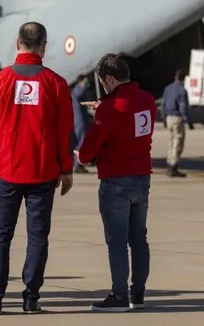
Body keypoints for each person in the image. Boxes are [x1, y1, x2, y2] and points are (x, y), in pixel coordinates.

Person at [0, 22, 75, 315]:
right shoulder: (56, 83)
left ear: (17, 43)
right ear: (43, 46)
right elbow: (65, 131)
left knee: (0, 235)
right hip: (43, 171)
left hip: (7, 170)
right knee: (37, 237)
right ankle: (31, 298)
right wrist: (66, 168)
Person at [76, 54, 155, 312]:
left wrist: (81, 155)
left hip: (116, 181)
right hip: (141, 178)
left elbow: (88, 153)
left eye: (103, 82)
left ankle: (119, 295)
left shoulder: (110, 108)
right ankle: (138, 293)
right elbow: (128, 116)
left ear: (110, 79)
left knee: (117, 241)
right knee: (139, 239)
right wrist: (105, 107)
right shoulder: (147, 99)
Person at [161, 69, 189, 178]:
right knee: (178, 142)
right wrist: (186, 119)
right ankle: (173, 166)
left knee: (172, 141)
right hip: (177, 118)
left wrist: (164, 118)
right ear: (183, 79)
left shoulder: (167, 89)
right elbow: (183, 107)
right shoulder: (182, 90)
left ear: (175, 77)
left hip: (168, 118)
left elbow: (163, 104)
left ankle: (170, 163)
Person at [71, 76, 93, 174]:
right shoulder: (77, 90)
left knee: (82, 141)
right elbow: (78, 93)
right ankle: (76, 165)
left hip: (81, 119)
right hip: (79, 120)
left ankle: (78, 164)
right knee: (80, 141)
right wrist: (83, 84)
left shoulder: (80, 91)